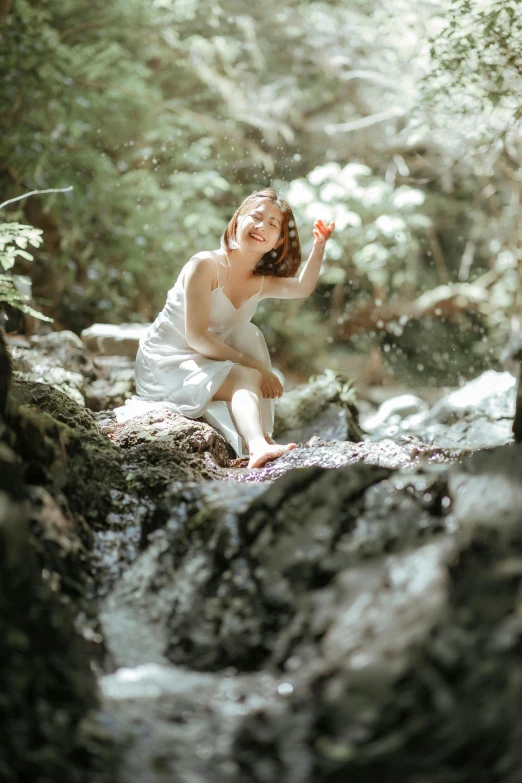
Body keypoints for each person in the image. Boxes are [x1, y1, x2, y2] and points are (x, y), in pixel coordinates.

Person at [115, 187, 334, 468]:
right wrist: (256, 367)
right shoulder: (205, 264)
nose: (260, 227)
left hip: (205, 357)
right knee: (246, 376)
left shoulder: (261, 282)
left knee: (249, 333)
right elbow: (196, 337)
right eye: (255, 217)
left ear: (278, 241)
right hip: (167, 360)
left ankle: (263, 436)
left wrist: (319, 248)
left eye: (272, 224)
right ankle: (257, 446)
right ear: (238, 219)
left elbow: (302, 288)